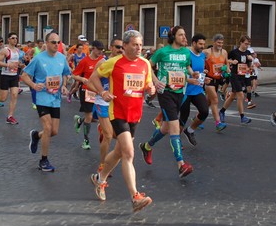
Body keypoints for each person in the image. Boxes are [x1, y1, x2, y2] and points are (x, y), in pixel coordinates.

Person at [88, 30, 156, 212]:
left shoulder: (145, 64)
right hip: (117, 112)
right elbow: (93, 78)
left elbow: (148, 83)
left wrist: (150, 89)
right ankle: (135, 197)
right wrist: (102, 92)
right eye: (135, 44)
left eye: (141, 45)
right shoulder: (113, 63)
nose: (139, 48)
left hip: (135, 114)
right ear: (125, 46)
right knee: (129, 153)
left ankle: (100, 178)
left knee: (119, 152)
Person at [139, 26, 194, 178]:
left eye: (185, 34)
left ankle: (147, 146)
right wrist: (155, 81)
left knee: (165, 128)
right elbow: (147, 65)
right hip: (166, 93)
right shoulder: (162, 52)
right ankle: (181, 165)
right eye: (181, 35)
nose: (184, 37)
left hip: (180, 92)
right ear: (173, 36)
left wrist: (192, 74)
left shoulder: (185, 52)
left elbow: (186, 66)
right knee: (175, 128)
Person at [23, 31, 71, 172]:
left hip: (55, 99)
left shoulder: (62, 58)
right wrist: (33, 85)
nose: (56, 44)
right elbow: (24, 75)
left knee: (54, 131)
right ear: (47, 44)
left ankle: (36, 135)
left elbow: (66, 74)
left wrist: (63, 85)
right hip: (42, 97)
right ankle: (43, 160)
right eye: (53, 42)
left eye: (58, 42)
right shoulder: (38, 59)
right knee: (48, 127)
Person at [87, 38, 123, 175]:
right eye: (117, 47)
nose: (120, 50)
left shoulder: (122, 64)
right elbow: (90, 83)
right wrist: (102, 93)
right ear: (111, 47)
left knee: (118, 136)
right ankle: (103, 166)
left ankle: (101, 128)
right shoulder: (103, 63)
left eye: (122, 47)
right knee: (108, 136)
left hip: (116, 104)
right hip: (102, 103)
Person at [72, 40, 105, 150]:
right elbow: (74, 75)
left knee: (94, 117)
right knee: (90, 116)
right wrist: (82, 79)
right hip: (86, 91)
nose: (100, 52)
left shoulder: (103, 60)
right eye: (98, 50)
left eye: (102, 50)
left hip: (99, 92)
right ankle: (86, 140)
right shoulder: (85, 61)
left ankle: (80, 120)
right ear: (93, 48)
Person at [0, 32, 25, 125]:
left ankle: (10, 116)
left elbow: (16, 62)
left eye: (16, 38)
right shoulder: (5, 50)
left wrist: (20, 64)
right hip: (5, 76)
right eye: (13, 38)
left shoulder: (17, 50)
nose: (15, 40)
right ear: (8, 39)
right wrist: (8, 64)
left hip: (14, 76)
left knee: (14, 95)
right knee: (3, 98)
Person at [180, 33, 210, 147]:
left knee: (204, 111)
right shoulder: (186, 54)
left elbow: (199, 72)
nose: (202, 46)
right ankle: (177, 141)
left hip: (197, 89)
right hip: (185, 91)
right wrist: (189, 79)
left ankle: (190, 130)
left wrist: (204, 78)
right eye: (200, 44)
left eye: (203, 44)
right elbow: (181, 71)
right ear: (194, 43)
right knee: (183, 116)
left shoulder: (202, 56)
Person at [218, 35, 255, 125]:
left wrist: (251, 65)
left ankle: (222, 111)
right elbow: (224, 60)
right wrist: (231, 62)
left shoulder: (247, 53)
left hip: (243, 76)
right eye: (245, 44)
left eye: (248, 44)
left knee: (232, 96)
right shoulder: (234, 52)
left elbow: (249, 64)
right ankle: (242, 117)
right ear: (241, 42)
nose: (247, 46)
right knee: (241, 95)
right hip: (234, 76)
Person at [204, 34, 230, 131]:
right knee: (215, 100)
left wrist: (227, 69)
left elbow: (226, 63)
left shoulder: (224, 52)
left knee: (208, 102)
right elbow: (197, 60)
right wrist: (203, 70)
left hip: (218, 79)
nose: (220, 44)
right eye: (219, 42)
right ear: (214, 42)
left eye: (222, 42)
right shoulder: (207, 52)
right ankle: (218, 123)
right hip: (209, 79)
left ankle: (198, 117)